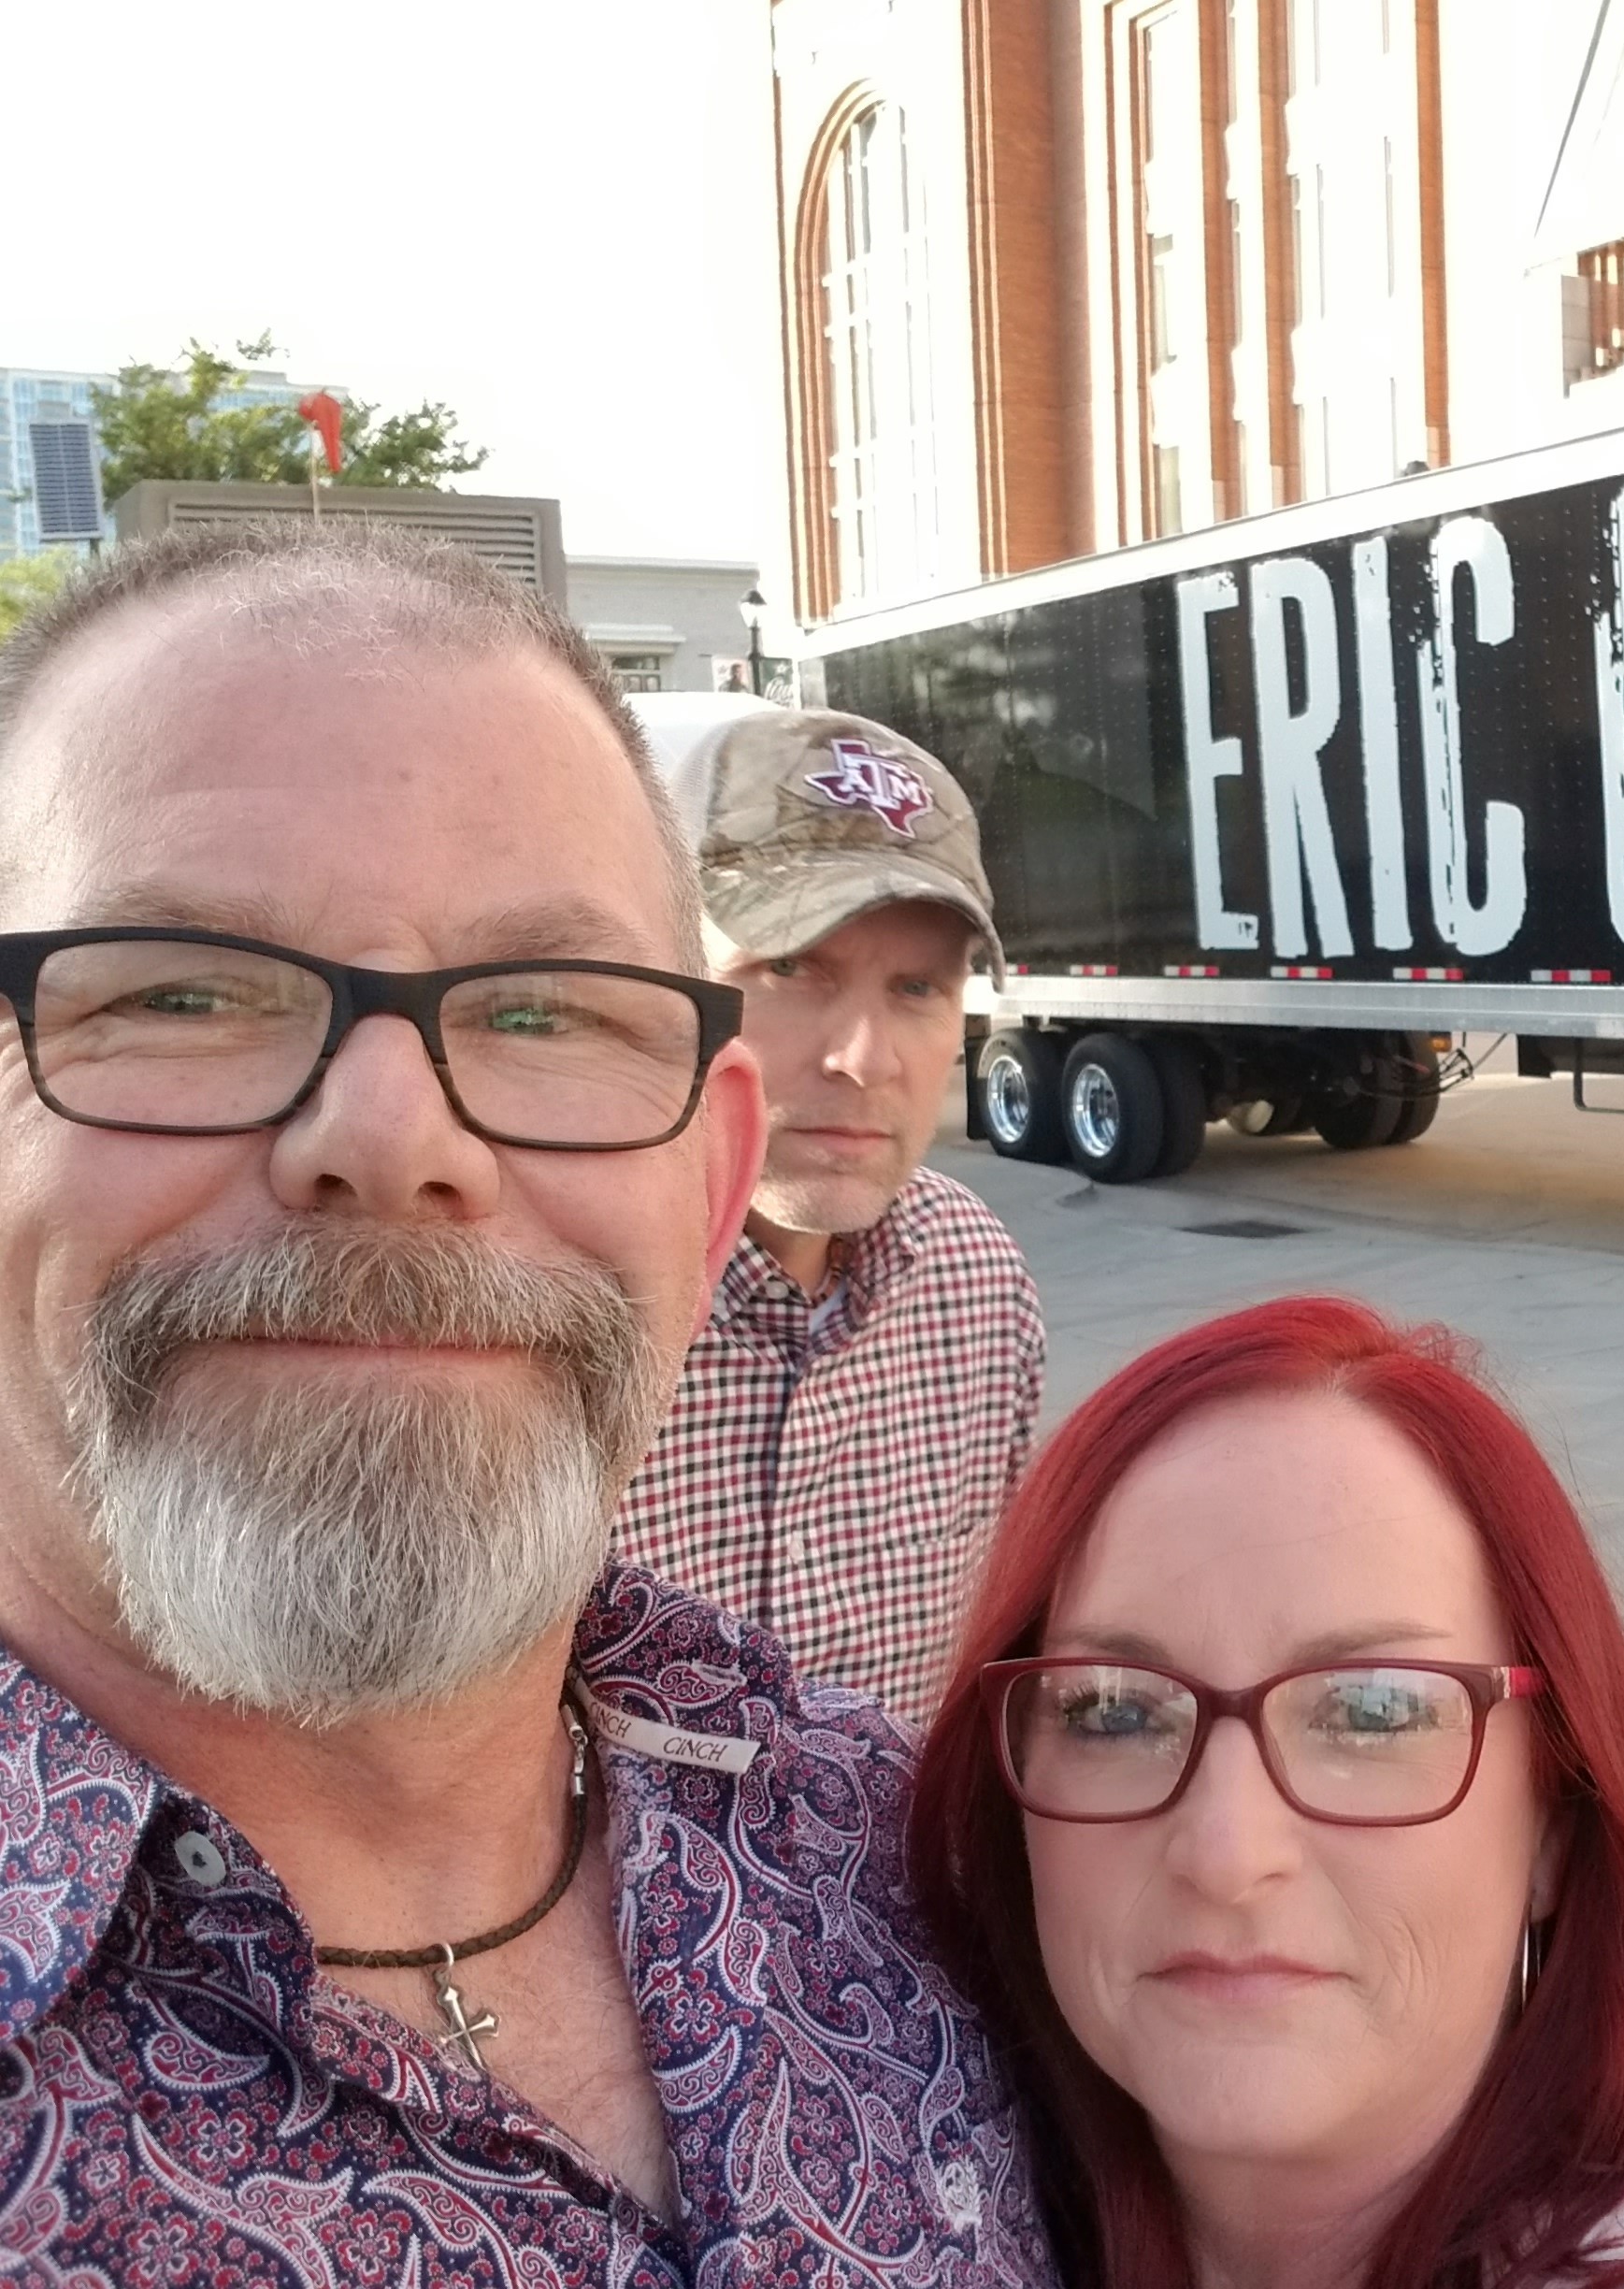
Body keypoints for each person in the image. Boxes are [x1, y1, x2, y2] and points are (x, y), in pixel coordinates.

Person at [0, 525, 1050, 2282]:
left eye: (546, 1014)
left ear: (709, 1184)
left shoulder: (899, 1851)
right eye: (181, 990)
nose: (392, 1137)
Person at [907, 1296, 1624, 2289]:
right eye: (1113, 1711)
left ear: (1554, 1822)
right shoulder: (919, 2211)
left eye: (1373, 1712)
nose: (1226, 1851)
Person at [618, 698, 1043, 1725]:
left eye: (917, 988)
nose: (863, 1057)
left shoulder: (976, 1286)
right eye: (791, 967)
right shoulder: (562, 1299)